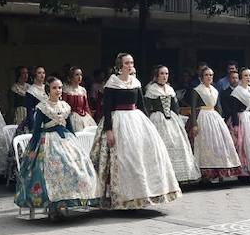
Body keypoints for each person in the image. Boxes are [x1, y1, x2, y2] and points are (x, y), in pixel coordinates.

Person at [90, 53, 181, 209]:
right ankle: (123, 197)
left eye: (131, 62)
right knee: (125, 159)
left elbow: (141, 105)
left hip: (137, 121)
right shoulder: (112, 83)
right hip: (119, 121)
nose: (130, 65)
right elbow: (107, 109)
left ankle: (142, 195)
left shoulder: (136, 82)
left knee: (142, 156)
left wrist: (149, 126)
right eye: (127, 63)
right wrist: (109, 130)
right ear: (120, 65)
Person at [16, 77, 98, 218]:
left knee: (75, 166)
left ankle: (71, 200)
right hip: (48, 141)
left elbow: (70, 128)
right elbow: (36, 131)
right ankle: (53, 206)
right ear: (48, 89)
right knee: (54, 168)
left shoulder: (65, 106)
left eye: (59, 87)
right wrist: (31, 151)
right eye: (54, 88)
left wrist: (76, 145)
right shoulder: (42, 107)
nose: (58, 90)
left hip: (66, 139)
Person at [144, 66, 200, 184]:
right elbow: (147, 108)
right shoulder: (151, 89)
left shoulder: (170, 89)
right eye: (162, 74)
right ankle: (161, 178)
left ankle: (178, 177)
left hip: (171, 121)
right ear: (157, 75)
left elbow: (175, 108)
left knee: (177, 144)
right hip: (157, 119)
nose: (165, 76)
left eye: (166, 74)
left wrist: (178, 120)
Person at [184, 66, 241, 183]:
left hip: (214, 117)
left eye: (211, 75)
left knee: (217, 145)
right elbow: (194, 108)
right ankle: (204, 175)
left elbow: (218, 106)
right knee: (204, 145)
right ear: (201, 77)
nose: (209, 77)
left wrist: (220, 120)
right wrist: (194, 124)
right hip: (202, 117)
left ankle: (218, 173)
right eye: (206, 75)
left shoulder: (215, 90)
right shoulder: (197, 90)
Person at [61, 67, 97, 132]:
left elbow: (86, 106)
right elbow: (63, 105)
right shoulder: (66, 89)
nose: (79, 77)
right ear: (71, 77)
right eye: (77, 75)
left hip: (84, 116)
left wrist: (91, 118)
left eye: (81, 75)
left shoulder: (82, 90)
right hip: (72, 117)